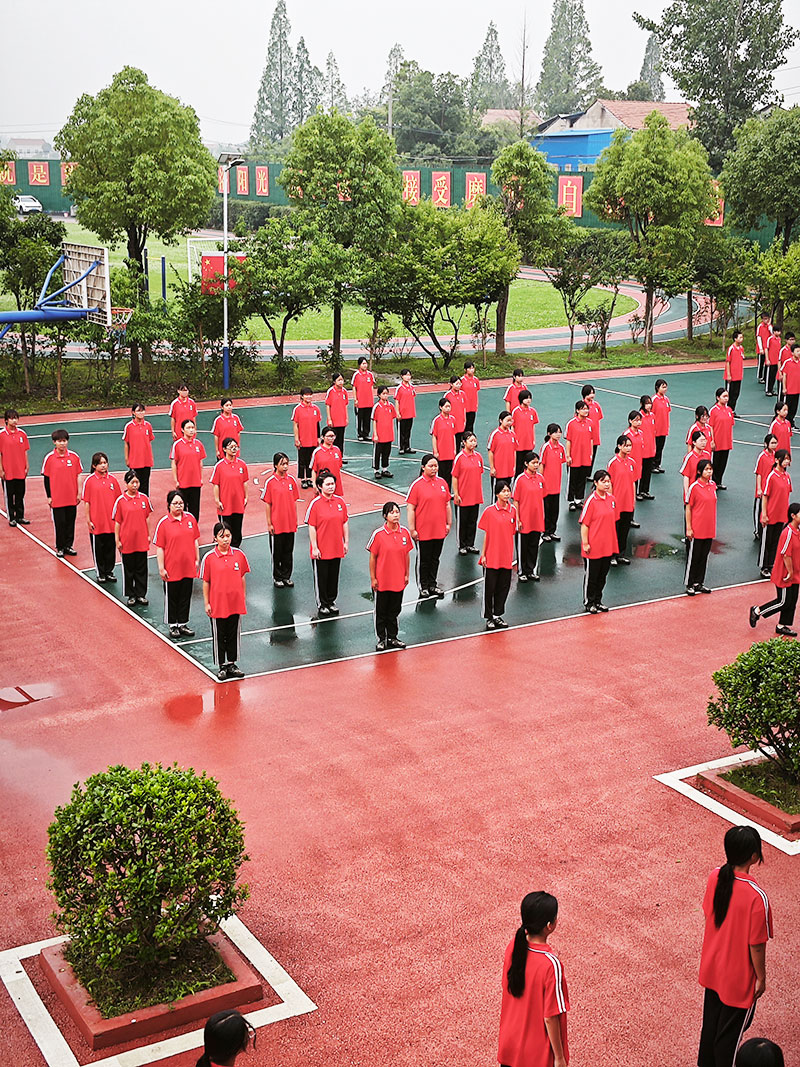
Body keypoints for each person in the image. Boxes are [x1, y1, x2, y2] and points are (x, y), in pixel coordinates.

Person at [698, 826, 772, 1067]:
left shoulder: (715, 877)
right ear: (754, 856)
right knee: (729, 1038)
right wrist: (761, 978)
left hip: (713, 968)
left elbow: (708, 915)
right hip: (738, 979)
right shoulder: (756, 897)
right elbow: (756, 945)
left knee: (710, 1027)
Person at [498, 891, 569, 1067]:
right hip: (536, 1057)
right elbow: (550, 1017)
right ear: (549, 926)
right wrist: (559, 1058)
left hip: (510, 1047)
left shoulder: (514, 947)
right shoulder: (551, 965)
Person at [201, 521, 250, 679]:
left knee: (233, 633)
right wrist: (207, 603)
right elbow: (206, 582)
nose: (225, 539)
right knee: (220, 634)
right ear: (215, 538)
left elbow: (242, 577)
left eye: (228, 536)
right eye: (222, 536)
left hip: (234, 602)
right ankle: (221, 665)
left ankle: (232, 663)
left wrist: (243, 596)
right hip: (218, 603)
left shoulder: (239, 555)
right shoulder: (209, 558)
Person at [153, 489, 200, 639]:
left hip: (187, 566)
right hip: (172, 567)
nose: (179, 506)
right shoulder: (163, 523)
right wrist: (161, 568)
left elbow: (195, 540)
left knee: (185, 595)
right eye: (175, 503)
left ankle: (183, 623)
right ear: (169, 505)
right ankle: (173, 624)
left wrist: (197, 559)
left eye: (181, 503)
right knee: (172, 596)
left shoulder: (190, 519)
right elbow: (160, 548)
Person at [367, 501, 413, 651]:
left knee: (394, 610)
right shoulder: (378, 535)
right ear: (385, 516)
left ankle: (392, 637)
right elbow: (373, 558)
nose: (395, 515)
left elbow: (406, 555)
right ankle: (381, 639)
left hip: (398, 580)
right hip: (382, 581)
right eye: (392, 512)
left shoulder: (404, 532)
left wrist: (406, 574)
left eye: (397, 512)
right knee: (381, 611)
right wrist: (373, 578)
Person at [750, 501, 800, 637]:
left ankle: (782, 625)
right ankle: (757, 611)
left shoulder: (797, 531)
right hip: (785, 573)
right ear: (793, 516)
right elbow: (785, 554)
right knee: (783, 601)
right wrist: (790, 571)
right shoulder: (788, 533)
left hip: (795, 572)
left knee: (792, 600)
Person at [406, 454, 452, 599]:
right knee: (423, 560)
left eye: (436, 466)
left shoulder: (442, 483)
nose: (434, 468)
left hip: (439, 529)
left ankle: (432, 584)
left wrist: (448, 523)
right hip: (423, 530)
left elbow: (447, 504)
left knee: (435, 558)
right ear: (423, 467)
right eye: (431, 466)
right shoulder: (417, 485)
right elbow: (410, 508)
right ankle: (423, 586)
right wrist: (412, 529)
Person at [306, 471, 349, 616]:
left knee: (333, 576)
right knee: (322, 577)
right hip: (322, 549)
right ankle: (322, 603)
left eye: (333, 484)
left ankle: (331, 601)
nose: (331, 487)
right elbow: (312, 526)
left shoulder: (340, 502)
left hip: (336, 547)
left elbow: (344, 522)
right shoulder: (315, 504)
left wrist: (346, 542)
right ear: (320, 486)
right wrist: (315, 547)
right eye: (328, 484)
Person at [479, 482, 517, 629]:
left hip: (506, 557)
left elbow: (511, 532)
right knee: (490, 588)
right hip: (492, 556)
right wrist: (483, 555)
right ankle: (488, 617)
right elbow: (486, 535)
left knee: (503, 587)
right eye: (503, 491)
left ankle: (497, 615)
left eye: (508, 491)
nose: (506, 494)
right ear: (496, 494)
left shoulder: (513, 511)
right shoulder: (489, 511)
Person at [113, 469, 153, 606]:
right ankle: (131, 595)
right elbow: (118, 522)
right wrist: (117, 540)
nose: (135, 485)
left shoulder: (144, 499)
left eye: (137, 482)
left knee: (142, 568)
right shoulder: (121, 501)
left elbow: (147, 518)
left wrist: (148, 534)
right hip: (127, 540)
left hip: (141, 540)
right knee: (129, 568)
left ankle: (141, 594)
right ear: (126, 484)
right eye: (132, 482)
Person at [261, 451, 301, 588]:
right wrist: (269, 523)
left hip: (290, 523)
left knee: (288, 551)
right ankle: (277, 577)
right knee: (277, 552)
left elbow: (294, 501)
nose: (285, 466)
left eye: (286, 464)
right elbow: (268, 504)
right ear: (275, 465)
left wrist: (295, 519)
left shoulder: (291, 481)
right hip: (277, 524)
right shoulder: (270, 482)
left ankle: (286, 576)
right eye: (282, 464)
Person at [579, 469, 617, 613]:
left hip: (607, 545)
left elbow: (613, 521)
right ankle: (589, 602)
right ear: (595, 483)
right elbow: (585, 524)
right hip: (593, 546)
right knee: (592, 576)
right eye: (603, 481)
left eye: (608, 481)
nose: (606, 484)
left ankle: (598, 600)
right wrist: (585, 543)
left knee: (602, 575)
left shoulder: (612, 500)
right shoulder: (591, 501)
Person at [81, 452, 122, 583]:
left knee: (110, 548)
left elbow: (118, 501)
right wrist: (88, 520)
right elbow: (87, 502)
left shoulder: (113, 480)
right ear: (94, 466)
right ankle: (100, 572)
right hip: (97, 523)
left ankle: (109, 571)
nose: (103, 466)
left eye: (105, 463)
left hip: (111, 522)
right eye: (100, 463)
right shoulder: (89, 481)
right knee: (98, 549)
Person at [42, 429, 82, 557]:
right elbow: (46, 478)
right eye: (59, 441)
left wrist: (78, 493)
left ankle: (68, 546)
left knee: (70, 522)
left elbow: (78, 475)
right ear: (54, 442)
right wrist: (49, 496)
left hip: (71, 497)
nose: (62, 443)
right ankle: (60, 547)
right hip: (57, 498)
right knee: (60, 523)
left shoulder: (74, 457)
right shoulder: (49, 458)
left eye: (64, 441)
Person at [685, 459, 717, 595]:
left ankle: (699, 582)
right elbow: (688, 508)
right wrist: (689, 528)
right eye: (706, 469)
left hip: (709, 528)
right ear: (699, 472)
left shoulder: (713, 485)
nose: (709, 472)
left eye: (710, 469)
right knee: (694, 557)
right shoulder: (694, 487)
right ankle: (690, 583)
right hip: (697, 528)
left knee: (704, 556)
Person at [759, 450, 792, 578]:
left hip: (781, 515)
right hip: (770, 515)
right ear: (777, 460)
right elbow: (765, 496)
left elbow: (786, 495)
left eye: (788, 459)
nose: (787, 461)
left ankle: (771, 564)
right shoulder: (771, 476)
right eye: (785, 459)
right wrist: (764, 514)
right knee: (766, 541)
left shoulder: (787, 476)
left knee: (775, 542)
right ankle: (764, 566)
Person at [211, 438, 249, 548]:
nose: (234, 449)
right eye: (231, 447)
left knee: (237, 529)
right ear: (224, 449)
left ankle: (235, 549)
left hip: (238, 503)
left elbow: (245, 482)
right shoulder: (219, 466)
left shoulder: (242, 464)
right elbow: (216, 484)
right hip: (225, 504)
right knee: (225, 529)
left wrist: (246, 497)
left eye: (236, 446)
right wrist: (217, 500)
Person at [513, 452, 545, 582]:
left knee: (533, 545)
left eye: (537, 462)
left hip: (536, 519)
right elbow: (516, 501)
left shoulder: (540, 479)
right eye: (533, 463)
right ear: (526, 464)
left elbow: (542, 497)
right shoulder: (520, 480)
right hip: (524, 519)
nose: (536, 465)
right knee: (523, 546)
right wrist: (518, 519)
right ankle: (522, 571)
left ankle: (530, 570)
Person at [451, 432, 484, 555]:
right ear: (464, 442)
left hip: (475, 495)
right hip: (463, 496)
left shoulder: (478, 457)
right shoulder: (459, 458)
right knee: (462, 522)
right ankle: (462, 545)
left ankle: (470, 544)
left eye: (474, 440)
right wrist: (456, 494)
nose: (473, 443)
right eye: (470, 441)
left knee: (472, 521)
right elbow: (455, 476)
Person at [170, 418, 206, 521]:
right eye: (188, 428)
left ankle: (194, 526)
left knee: (195, 508)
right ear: (182, 430)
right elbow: (174, 463)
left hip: (195, 482)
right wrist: (176, 480)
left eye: (192, 428)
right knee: (182, 507)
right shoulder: (177, 445)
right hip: (183, 482)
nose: (191, 430)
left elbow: (200, 462)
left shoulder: (198, 444)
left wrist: (200, 478)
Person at [608, 435, 635, 566]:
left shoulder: (632, 463)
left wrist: (633, 499)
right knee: (614, 530)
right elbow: (609, 484)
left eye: (630, 446)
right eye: (626, 446)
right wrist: (610, 502)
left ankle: (621, 554)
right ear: (619, 446)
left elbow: (633, 482)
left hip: (627, 502)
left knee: (624, 530)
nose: (628, 448)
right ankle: (611, 555)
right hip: (616, 503)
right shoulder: (613, 463)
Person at [0, 408, 30, 526]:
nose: (14, 421)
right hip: (8, 471)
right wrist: (1, 469)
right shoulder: (2, 435)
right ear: (6, 420)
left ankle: (20, 516)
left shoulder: (22, 434)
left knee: (20, 494)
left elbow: (25, 451)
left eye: (16, 418)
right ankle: (11, 517)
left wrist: (26, 466)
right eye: (12, 418)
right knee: (9, 495)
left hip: (20, 470)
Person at [565, 401, 594, 510]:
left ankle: (578, 499)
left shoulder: (590, 423)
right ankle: (571, 501)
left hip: (585, 456)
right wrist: (568, 455)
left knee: (582, 478)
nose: (586, 411)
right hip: (574, 456)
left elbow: (591, 439)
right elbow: (568, 440)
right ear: (577, 410)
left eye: (586, 409)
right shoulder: (571, 424)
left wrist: (591, 453)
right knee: (573, 479)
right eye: (583, 409)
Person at [122, 403, 155, 497]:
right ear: (133, 412)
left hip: (146, 460)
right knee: (134, 483)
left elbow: (149, 442)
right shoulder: (129, 426)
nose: (141, 413)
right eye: (138, 411)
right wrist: (127, 459)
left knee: (145, 483)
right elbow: (126, 443)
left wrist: (150, 457)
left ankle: (145, 500)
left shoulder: (148, 425)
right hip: (135, 460)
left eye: (142, 411)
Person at [292, 387, 322, 489]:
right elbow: (295, 425)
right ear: (302, 396)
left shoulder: (315, 409)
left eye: (310, 395)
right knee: (302, 460)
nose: (308, 397)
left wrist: (318, 437)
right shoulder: (297, 409)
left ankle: (309, 478)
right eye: (306, 395)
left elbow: (317, 424)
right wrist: (297, 438)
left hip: (313, 439)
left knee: (311, 460)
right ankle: (303, 479)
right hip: (303, 439)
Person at [540, 424, 565, 542]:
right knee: (547, 510)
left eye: (559, 432)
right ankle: (545, 532)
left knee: (555, 510)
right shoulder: (546, 447)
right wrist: (541, 481)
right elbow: (541, 464)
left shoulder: (561, 448)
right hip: (546, 486)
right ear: (549, 434)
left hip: (557, 485)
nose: (558, 434)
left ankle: (552, 531)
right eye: (555, 432)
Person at [709, 387, 735, 491]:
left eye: (727, 396)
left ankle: (719, 481)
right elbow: (710, 426)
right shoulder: (713, 410)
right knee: (716, 462)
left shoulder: (729, 410)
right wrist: (712, 440)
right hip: (717, 441)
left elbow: (731, 424)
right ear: (718, 397)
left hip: (726, 441)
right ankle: (713, 481)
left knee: (723, 462)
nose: (726, 398)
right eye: (724, 396)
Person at [753, 435, 779, 541]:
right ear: (766, 444)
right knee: (759, 509)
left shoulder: (776, 456)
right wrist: (759, 488)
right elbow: (758, 473)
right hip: (763, 488)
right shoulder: (762, 456)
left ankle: (764, 529)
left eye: (775, 443)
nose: (774, 445)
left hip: (772, 489)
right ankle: (757, 530)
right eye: (772, 443)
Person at [488, 411, 517, 498]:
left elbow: (514, 451)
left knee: (506, 494)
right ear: (501, 420)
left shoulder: (512, 434)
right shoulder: (495, 434)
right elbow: (490, 451)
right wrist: (492, 467)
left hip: (509, 470)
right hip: (498, 471)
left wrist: (514, 466)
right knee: (497, 495)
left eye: (511, 421)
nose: (509, 423)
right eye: (507, 420)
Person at [431, 397, 457, 489]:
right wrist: (436, 451)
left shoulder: (452, 419)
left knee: (449, 473)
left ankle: (448, 491)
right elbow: (434, 436)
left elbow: (453, 435)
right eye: (446, 406)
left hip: (450, 452)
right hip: (441, 452)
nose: (448, 408)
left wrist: (454, 449)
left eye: (449, 406)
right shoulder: (437, 420)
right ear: (441, 407)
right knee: (441, 473)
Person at [512, 390, 539, 477]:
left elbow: (533, 426)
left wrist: (533, 440)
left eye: (529, 398)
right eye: (526, 398)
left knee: (528, 466)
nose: (528, 400)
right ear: (521, 399)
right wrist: (514, 440)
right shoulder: (516, 411)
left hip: (529, 442)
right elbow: (512, 427)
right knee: (519, 466)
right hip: (519, 443)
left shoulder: (533, 411)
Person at [681, 431, 713, 504]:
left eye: (705, 440)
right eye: (701, 441)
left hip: (705, 491)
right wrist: (687, 494)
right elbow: (686, 476)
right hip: (693, 492)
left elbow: (709, 473)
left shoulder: (707, 455)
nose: (703, 443)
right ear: (694, 442)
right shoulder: (689, 457)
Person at [372, 385, 397, 479]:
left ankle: (384, 469)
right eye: (383, 394)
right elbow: (374, 420)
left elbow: (393, 418)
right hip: (379, 435)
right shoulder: (377, 407)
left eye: (387, 393)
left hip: (388, 434)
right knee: (377, 453)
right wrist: (375, 434)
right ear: (379, 395)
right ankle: (376, 470)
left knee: (387, 452)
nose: (385, 395)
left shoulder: (391, 406)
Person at [311, 426, 344, 495]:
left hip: (335, 485)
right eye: (328, 436)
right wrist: (314, 484)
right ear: (322, 437)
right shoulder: (317, 452)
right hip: (323, 484)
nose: (331, 438)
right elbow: (314, 470)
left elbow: (339, 467)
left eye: (333, 436)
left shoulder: (337, 450)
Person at [325, 372, 350, 458]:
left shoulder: (344, 391)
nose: (341, 382)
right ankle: (332, 456)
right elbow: (328, 405)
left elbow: (345, 405)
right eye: (339, 380)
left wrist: (346, 418)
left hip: (342, 419)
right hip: (334, 420)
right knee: (333, 439)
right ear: (334, 381)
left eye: (342, 380)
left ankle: (340, 457)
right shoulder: (330, 391)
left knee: (341, 440)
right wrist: (329, 419)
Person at [351, 355, 375, 441]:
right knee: (360, 418)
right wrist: (355, 399)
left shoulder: (370, 375)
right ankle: (360, 434)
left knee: (367, 418)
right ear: (359, 365)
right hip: (360, 401)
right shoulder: (356, 375)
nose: (365, 365)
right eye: (363, 363)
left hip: (369, 401)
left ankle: (366, 434)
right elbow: (354, 387)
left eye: (366, 363)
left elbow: (371, 386)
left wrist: (372, 397)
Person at [637, 395, 656, 499]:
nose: (649, 406)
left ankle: (645, 490)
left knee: (648, 471)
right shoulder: (639, 417)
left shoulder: (652, 415)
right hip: (642, 449)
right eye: (647, 403)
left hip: (650, 448)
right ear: (642, 404)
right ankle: (638, 491)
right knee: (640, 470)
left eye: (650, 403)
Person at [394, 368, 417, 454]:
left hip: (410, 413)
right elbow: (397, 400)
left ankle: (407, 446)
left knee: (408, 431)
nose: (408, 377)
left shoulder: (411, 387)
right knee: (401, 431)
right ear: (402, 376)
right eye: (406, 375)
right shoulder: (399, 388)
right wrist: (397, 412)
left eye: (409, 375)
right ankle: (401, 447)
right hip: (402, 413)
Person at [651, 378, 671, 473]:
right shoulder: (654, 400)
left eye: (665, 387)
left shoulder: (666, 399)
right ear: (657, 388)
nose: (665, 389)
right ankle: (652, 465)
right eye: (663, 387)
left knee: (660, 447)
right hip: (655, 428)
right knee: (654, 447)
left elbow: (667, 412)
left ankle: (657, 464)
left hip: (663, 428)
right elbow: (650, 414)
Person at [582, 383, 603, 467]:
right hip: (586, 437)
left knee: (592, 457)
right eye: (590, 393)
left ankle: (589, 473)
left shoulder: (596, 405)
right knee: (585, 458)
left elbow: (599, 418)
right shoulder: (582, 406)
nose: (592, 395)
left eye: (593, 393)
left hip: (595, 436)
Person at [725, 329, 746, 414]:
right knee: (728, 394)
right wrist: (728, 375)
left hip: (738, 375)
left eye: (742, 337)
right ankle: (726, 410)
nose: (742, 339)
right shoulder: (731, 349)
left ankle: (732, 410)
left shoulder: (741, 348)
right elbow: (727, 362)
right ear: (735, 339)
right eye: (740, 337)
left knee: (736, 394)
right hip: (731, 376)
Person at [444, 375, 467, 453]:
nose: (458, 385)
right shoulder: (447, 395)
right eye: (456, 384)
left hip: (460, 421)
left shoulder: (463, 394)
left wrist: (464, 419)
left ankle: (457, 454)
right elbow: (444, 409)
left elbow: (464, 408)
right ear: (451, 384)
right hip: (451, 421)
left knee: (459, 439)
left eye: (460, 384)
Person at [780, 342, 800, 426]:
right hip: (789, 389)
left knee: (794, 407)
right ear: (792, 353)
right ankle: (785, 422)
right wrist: (784, 387)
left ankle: (791, 422)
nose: (799, 353)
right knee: (787, 407)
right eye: (797, 351)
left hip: (797, 389)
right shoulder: (787, 362)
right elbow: (784, 375)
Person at [461, 359, 481, 434]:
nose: (472, 370)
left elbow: (477, 390)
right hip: (464, 407)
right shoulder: (462, 380)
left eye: (472, 368)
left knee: (471, 424)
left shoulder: (476, 380)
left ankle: (470, 437)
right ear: (465, 370)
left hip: (473, 406)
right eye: (469, 368)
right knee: (464, 425)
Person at [756, 310, 772, 385]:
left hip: (768, 348)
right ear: (762, 319)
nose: (766, 320)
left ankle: (765, 377)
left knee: (767, 363)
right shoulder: (760, 326)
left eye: (767, 319)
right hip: (762, 348)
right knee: (761, 363)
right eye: (764, 319)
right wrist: (761, 348)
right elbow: (758, 337)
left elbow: (772, 333)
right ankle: (760, 377)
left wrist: (769, 326)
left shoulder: (770, 326)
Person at [764, 327, 782, 396]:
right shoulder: (770, 339)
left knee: (774, 376)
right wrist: (767, 359)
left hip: (777, 361)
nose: (779, 333)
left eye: (779, 331)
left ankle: (771, 390)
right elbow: (766, 349)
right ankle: (768, 390)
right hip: (771, 361)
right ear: (774, 331)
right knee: (769, 376)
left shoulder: (779, 339)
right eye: (777, 331)